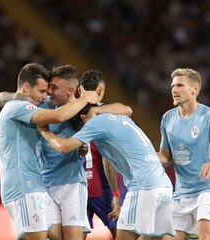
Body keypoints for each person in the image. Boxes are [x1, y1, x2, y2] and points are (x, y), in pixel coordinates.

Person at [38, 105, 175, 240]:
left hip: (143, 188)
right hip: (164, 185)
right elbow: (109, 160)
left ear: (83, 118)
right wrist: (116, 194)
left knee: (123, 237)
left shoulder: (96, 123)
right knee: (154, 237)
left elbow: (63, 147)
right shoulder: (120, 119)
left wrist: (44, 131)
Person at [0, 63, 98, 240]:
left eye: (48, 90)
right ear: (26, 87)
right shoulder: (19, 107)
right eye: (42, 91)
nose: (45, 96)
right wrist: (84, 99)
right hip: (24, 186)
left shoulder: (19, 106)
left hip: (34, 185)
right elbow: (58, 116)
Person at [36, 65, 132, 240]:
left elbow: (126, 109)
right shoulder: (44, 107)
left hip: (80, 184)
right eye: (49, 87)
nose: (49, 92)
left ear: (71, 90)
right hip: (50, 184)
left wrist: (96, 110)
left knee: (120, 232)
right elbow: (20, 100)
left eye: (54, 87)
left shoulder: (85, 108)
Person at [158, 68, 210, 240]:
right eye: (173, 85)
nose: (174, 89)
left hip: (206, 190)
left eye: (180, 85)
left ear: (194, 89)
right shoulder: (167, 118)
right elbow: (166, 156)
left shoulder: (209, 116)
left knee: (205, 237)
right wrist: (150, 159)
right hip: (180, 194)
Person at [79, 70, 124, 240]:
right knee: (122, 233)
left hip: (77, 188)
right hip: (101, 188)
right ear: (99, 90)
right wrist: (116, 193)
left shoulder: (70, 111)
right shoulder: (106, 113)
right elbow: (107, 159)